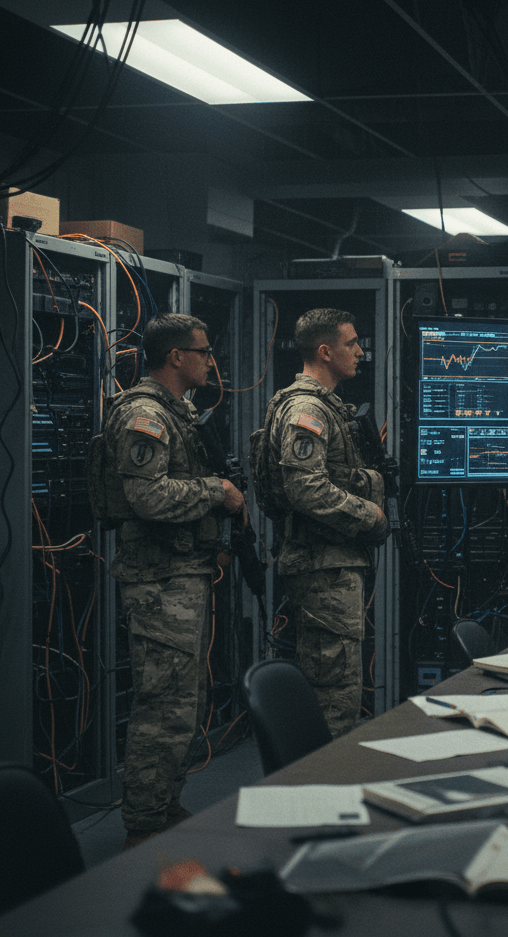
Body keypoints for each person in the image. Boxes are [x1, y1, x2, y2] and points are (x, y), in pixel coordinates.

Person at [99, 313, 246, 849]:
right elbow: (149, 496)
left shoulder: (178, 412)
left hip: (183, 574)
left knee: (185, 702)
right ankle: (142, 826)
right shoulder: (144, 414)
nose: (212, 361)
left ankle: (166, 807)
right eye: (204, 352)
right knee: (163, 708)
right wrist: (215, 492)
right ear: (176, 357)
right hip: (158, 582)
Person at [263, 309, 389, 738]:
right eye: (351, 343)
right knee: (333, 695)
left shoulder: (327, 407)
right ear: (324, 351)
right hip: (322, 567)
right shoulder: (306, 409)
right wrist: (368, 514)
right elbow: (306, 488)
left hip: (331, 564)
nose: (360, 351)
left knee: (339, 684)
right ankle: (322, 795)